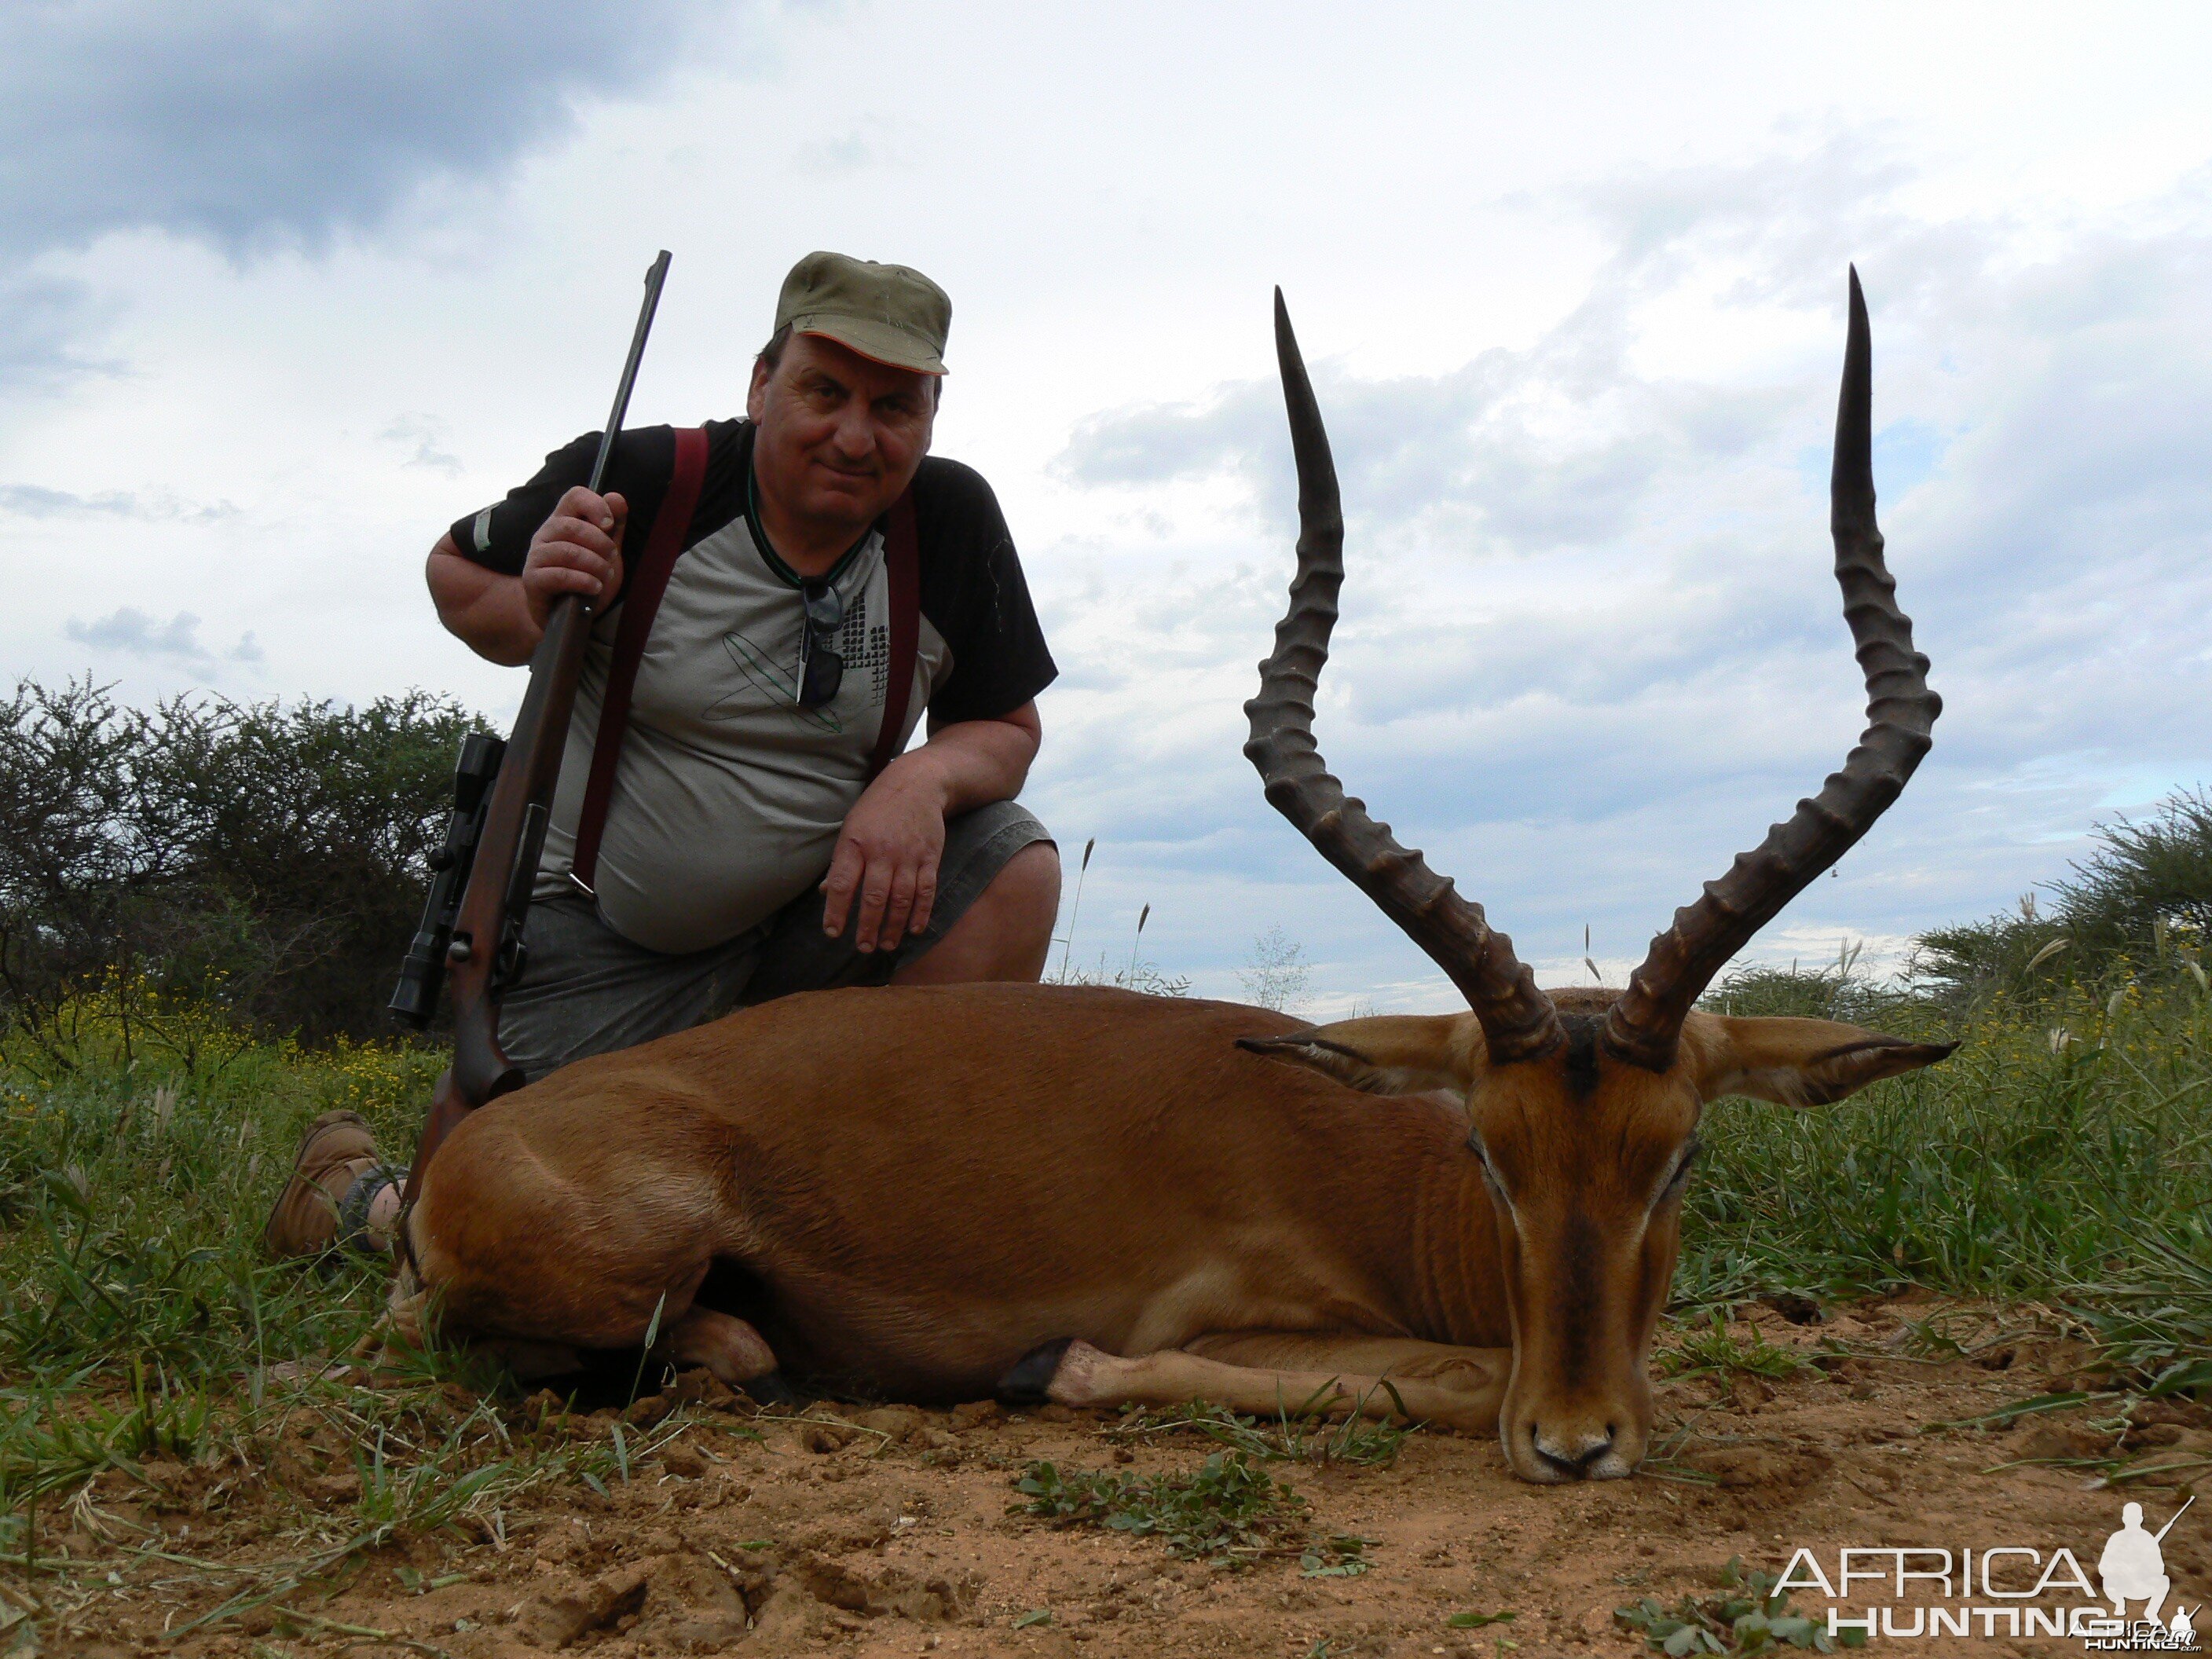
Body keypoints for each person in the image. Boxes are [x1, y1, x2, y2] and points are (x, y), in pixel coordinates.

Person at [264, 252, 1060, 1258]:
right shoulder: (643, 479)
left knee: (1010, 861)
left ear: (931, 417)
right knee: (486, 1240)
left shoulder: (947, 520)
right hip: (600, 934)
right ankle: (348, 1197)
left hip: (811, 933)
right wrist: (532, 599)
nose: (855, 437)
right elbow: (456, 572)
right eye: (823, 391)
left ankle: (882, 1225)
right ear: (761, 383)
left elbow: (1005, 729)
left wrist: (921, 776)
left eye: (895, 407)